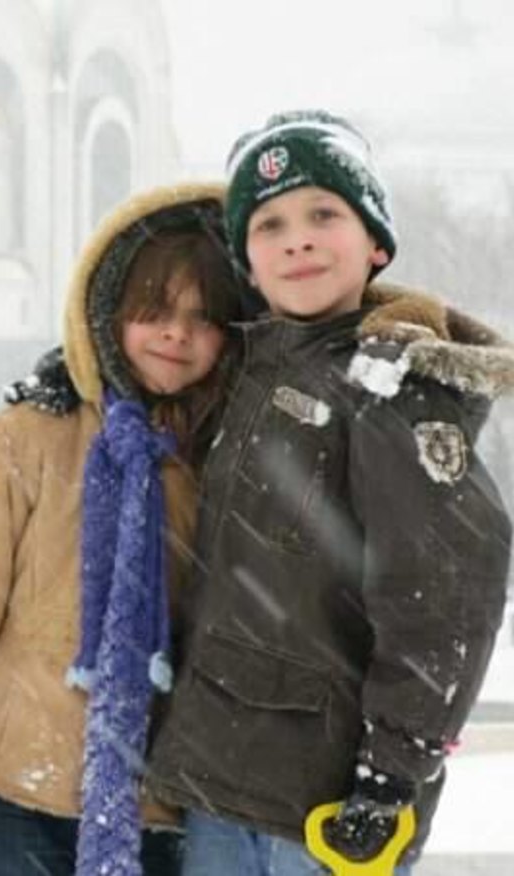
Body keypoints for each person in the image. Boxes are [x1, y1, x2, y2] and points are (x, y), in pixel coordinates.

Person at [146, 110, 514, 876]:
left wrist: (392, 777)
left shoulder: (394, 391)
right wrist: (81, 369)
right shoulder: (246, 369)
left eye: (324, 214)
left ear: (375, 243)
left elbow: (445, 600)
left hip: (323, 811)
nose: (298, 238)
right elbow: (150, 348)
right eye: (270, 224)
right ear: (247, 262)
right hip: (216, 785)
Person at [0, 182, 243, 876]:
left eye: (203, 317)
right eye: (154, 310)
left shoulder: (225, 461)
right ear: (108, 311)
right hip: (21, 798)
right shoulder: (27, 439)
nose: (176, 334)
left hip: (163, 804)